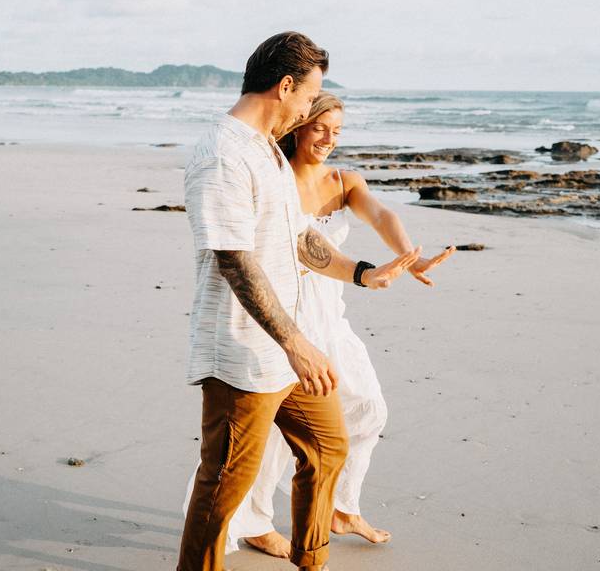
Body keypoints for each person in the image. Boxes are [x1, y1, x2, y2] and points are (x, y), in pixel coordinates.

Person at [178, 32, 423, 571]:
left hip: (288, 349)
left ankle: (311, 561)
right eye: (311, 97)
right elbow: (233, 259)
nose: (313, 108)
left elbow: (302, 240)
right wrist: (296, 343)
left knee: (328, 446)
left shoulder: (267, 150)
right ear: (285, 86)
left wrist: (362, 273)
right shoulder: (223, 153)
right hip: (243, 352)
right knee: (224, 483)